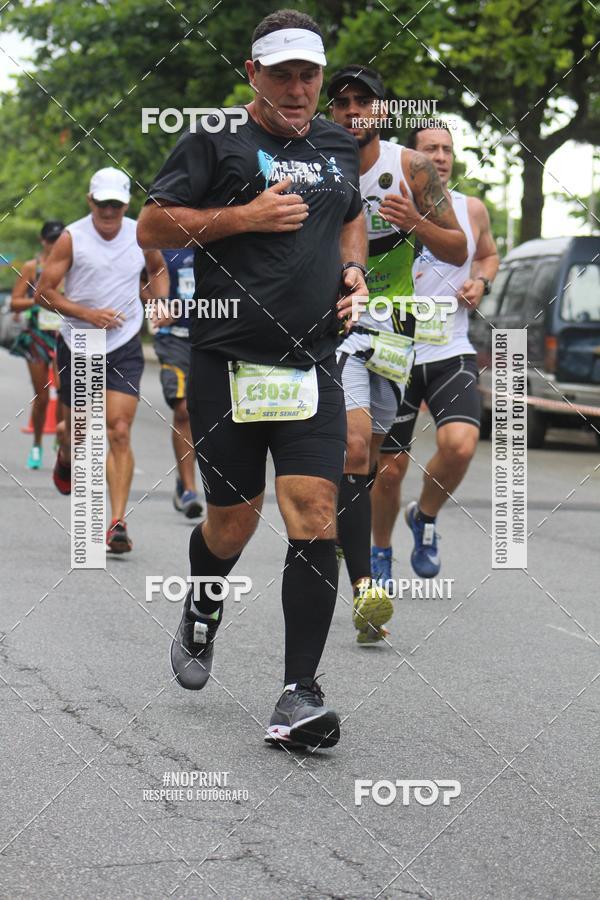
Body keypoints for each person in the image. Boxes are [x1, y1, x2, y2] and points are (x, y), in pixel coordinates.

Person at [137, 10, 367, 749]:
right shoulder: (214, 143)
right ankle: (204, 605)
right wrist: (245, 216)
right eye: (282, 75)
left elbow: (350, 218)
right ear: (252, 74)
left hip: (312, 364)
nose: (297, 89)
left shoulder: (339, 144)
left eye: (309, 75)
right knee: (232, 521)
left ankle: (299, 692)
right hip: (225, 365)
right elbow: (154, 226)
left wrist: (355, 271)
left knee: (314, 512)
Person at [328, 67, 467, 642]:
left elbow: (458, 245)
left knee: (381, 463)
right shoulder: (314, 159)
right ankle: (364, 585)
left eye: (365, 101)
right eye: (343, 103)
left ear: (382, 111)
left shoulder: (410, 168)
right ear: (331, 112)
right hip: (337, 323)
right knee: (353, 447)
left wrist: (417, 223)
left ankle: (359, 553)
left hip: (398, 328)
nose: (354, 111)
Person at [371, 124, 499, 578]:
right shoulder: (385, 203)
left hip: (451, 348)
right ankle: (380, 551)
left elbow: (486, 255)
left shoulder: (471, 209)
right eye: (431, 149)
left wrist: (480, 281)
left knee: (460, 446)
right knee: (388, 471)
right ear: (413, 157)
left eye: (447, 149)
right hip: (394, 349)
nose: (441, 157)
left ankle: (423, 516)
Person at [35, 167, 169, 553]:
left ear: (126, 204)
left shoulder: (140, 232)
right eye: (102, 203)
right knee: (78, 434)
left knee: (119, 429)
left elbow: (157, 267)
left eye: (116, 204)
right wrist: (85, 314)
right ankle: (64, 453)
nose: (109, 211)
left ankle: (117, 522)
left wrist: (159, 302)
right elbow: (45, 292)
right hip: (81, 342)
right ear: (90, 201)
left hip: (125, 342)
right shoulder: (71, 238)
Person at [146, 248, 203, 519]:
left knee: (209, 414)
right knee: (183, 409)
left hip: (211, 338)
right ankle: (190, 490)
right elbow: (141, 285)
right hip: (174, 338)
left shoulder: (217, 238)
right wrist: (158, 304)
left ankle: (184, 477)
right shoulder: (161, 243)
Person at [10, 221, 65, 469]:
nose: (54, 244)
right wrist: (40, 299)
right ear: (43, 241)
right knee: (42, 398)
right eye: (50, 239)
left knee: (66, 395)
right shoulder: (33, 267)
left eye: (58, 239)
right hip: (37, 337)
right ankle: (37, 444)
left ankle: (61, 443)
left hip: (65, 335)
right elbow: (14, 303)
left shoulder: (70, 265)